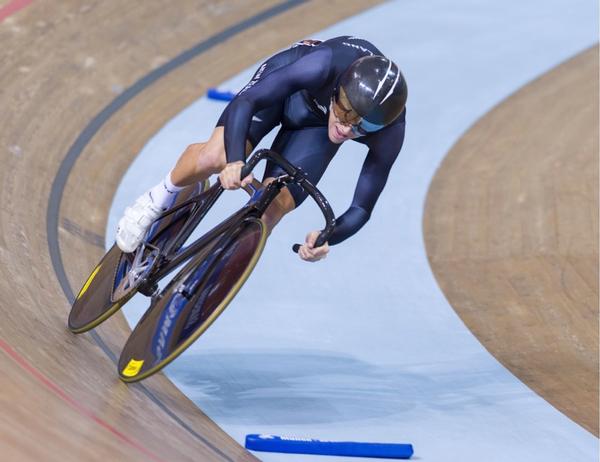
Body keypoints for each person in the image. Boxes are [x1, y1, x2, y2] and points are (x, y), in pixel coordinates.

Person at [116, 36, 407, 262]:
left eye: (362, 127)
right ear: (336, 91)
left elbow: (361, 207)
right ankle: (157, 198)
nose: (346, 129)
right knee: (215, 156)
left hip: (314, 129)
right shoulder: (321, 65)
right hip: (285, 87)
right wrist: (235, 160)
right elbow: (247, 102)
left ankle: (211, 276)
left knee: (274, 206)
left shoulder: (390, 131)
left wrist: (327, 236)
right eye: (345, 113)